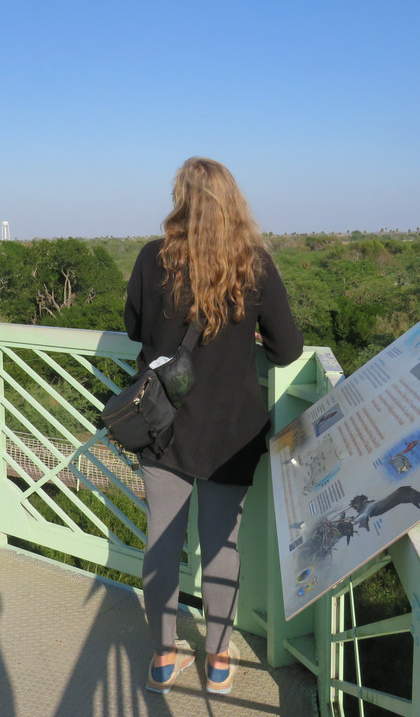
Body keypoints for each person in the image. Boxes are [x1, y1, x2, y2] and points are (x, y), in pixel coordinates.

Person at [125, 157, 303, 695]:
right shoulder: (255, 263)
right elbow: (288, 347)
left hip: (164, 426)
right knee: (221, 544)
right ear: (233, 200)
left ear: (180, 197)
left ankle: (162, 656)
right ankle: (220, 658)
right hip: (231, 430)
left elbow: (135, 328)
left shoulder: (153, 258)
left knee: (162, 540)